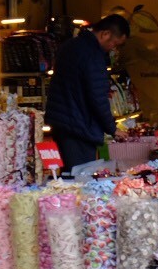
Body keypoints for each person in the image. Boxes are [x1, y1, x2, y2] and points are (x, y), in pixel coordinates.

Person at [45, 14, 130, 173]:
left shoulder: (70, 45)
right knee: (81, 177)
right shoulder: (93, 55)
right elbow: (97, 97)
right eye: (114, 44)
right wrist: (112, 128)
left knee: (68, 176)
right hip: (79, 127)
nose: (113, 48)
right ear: (105, 34)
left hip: (62, 123)